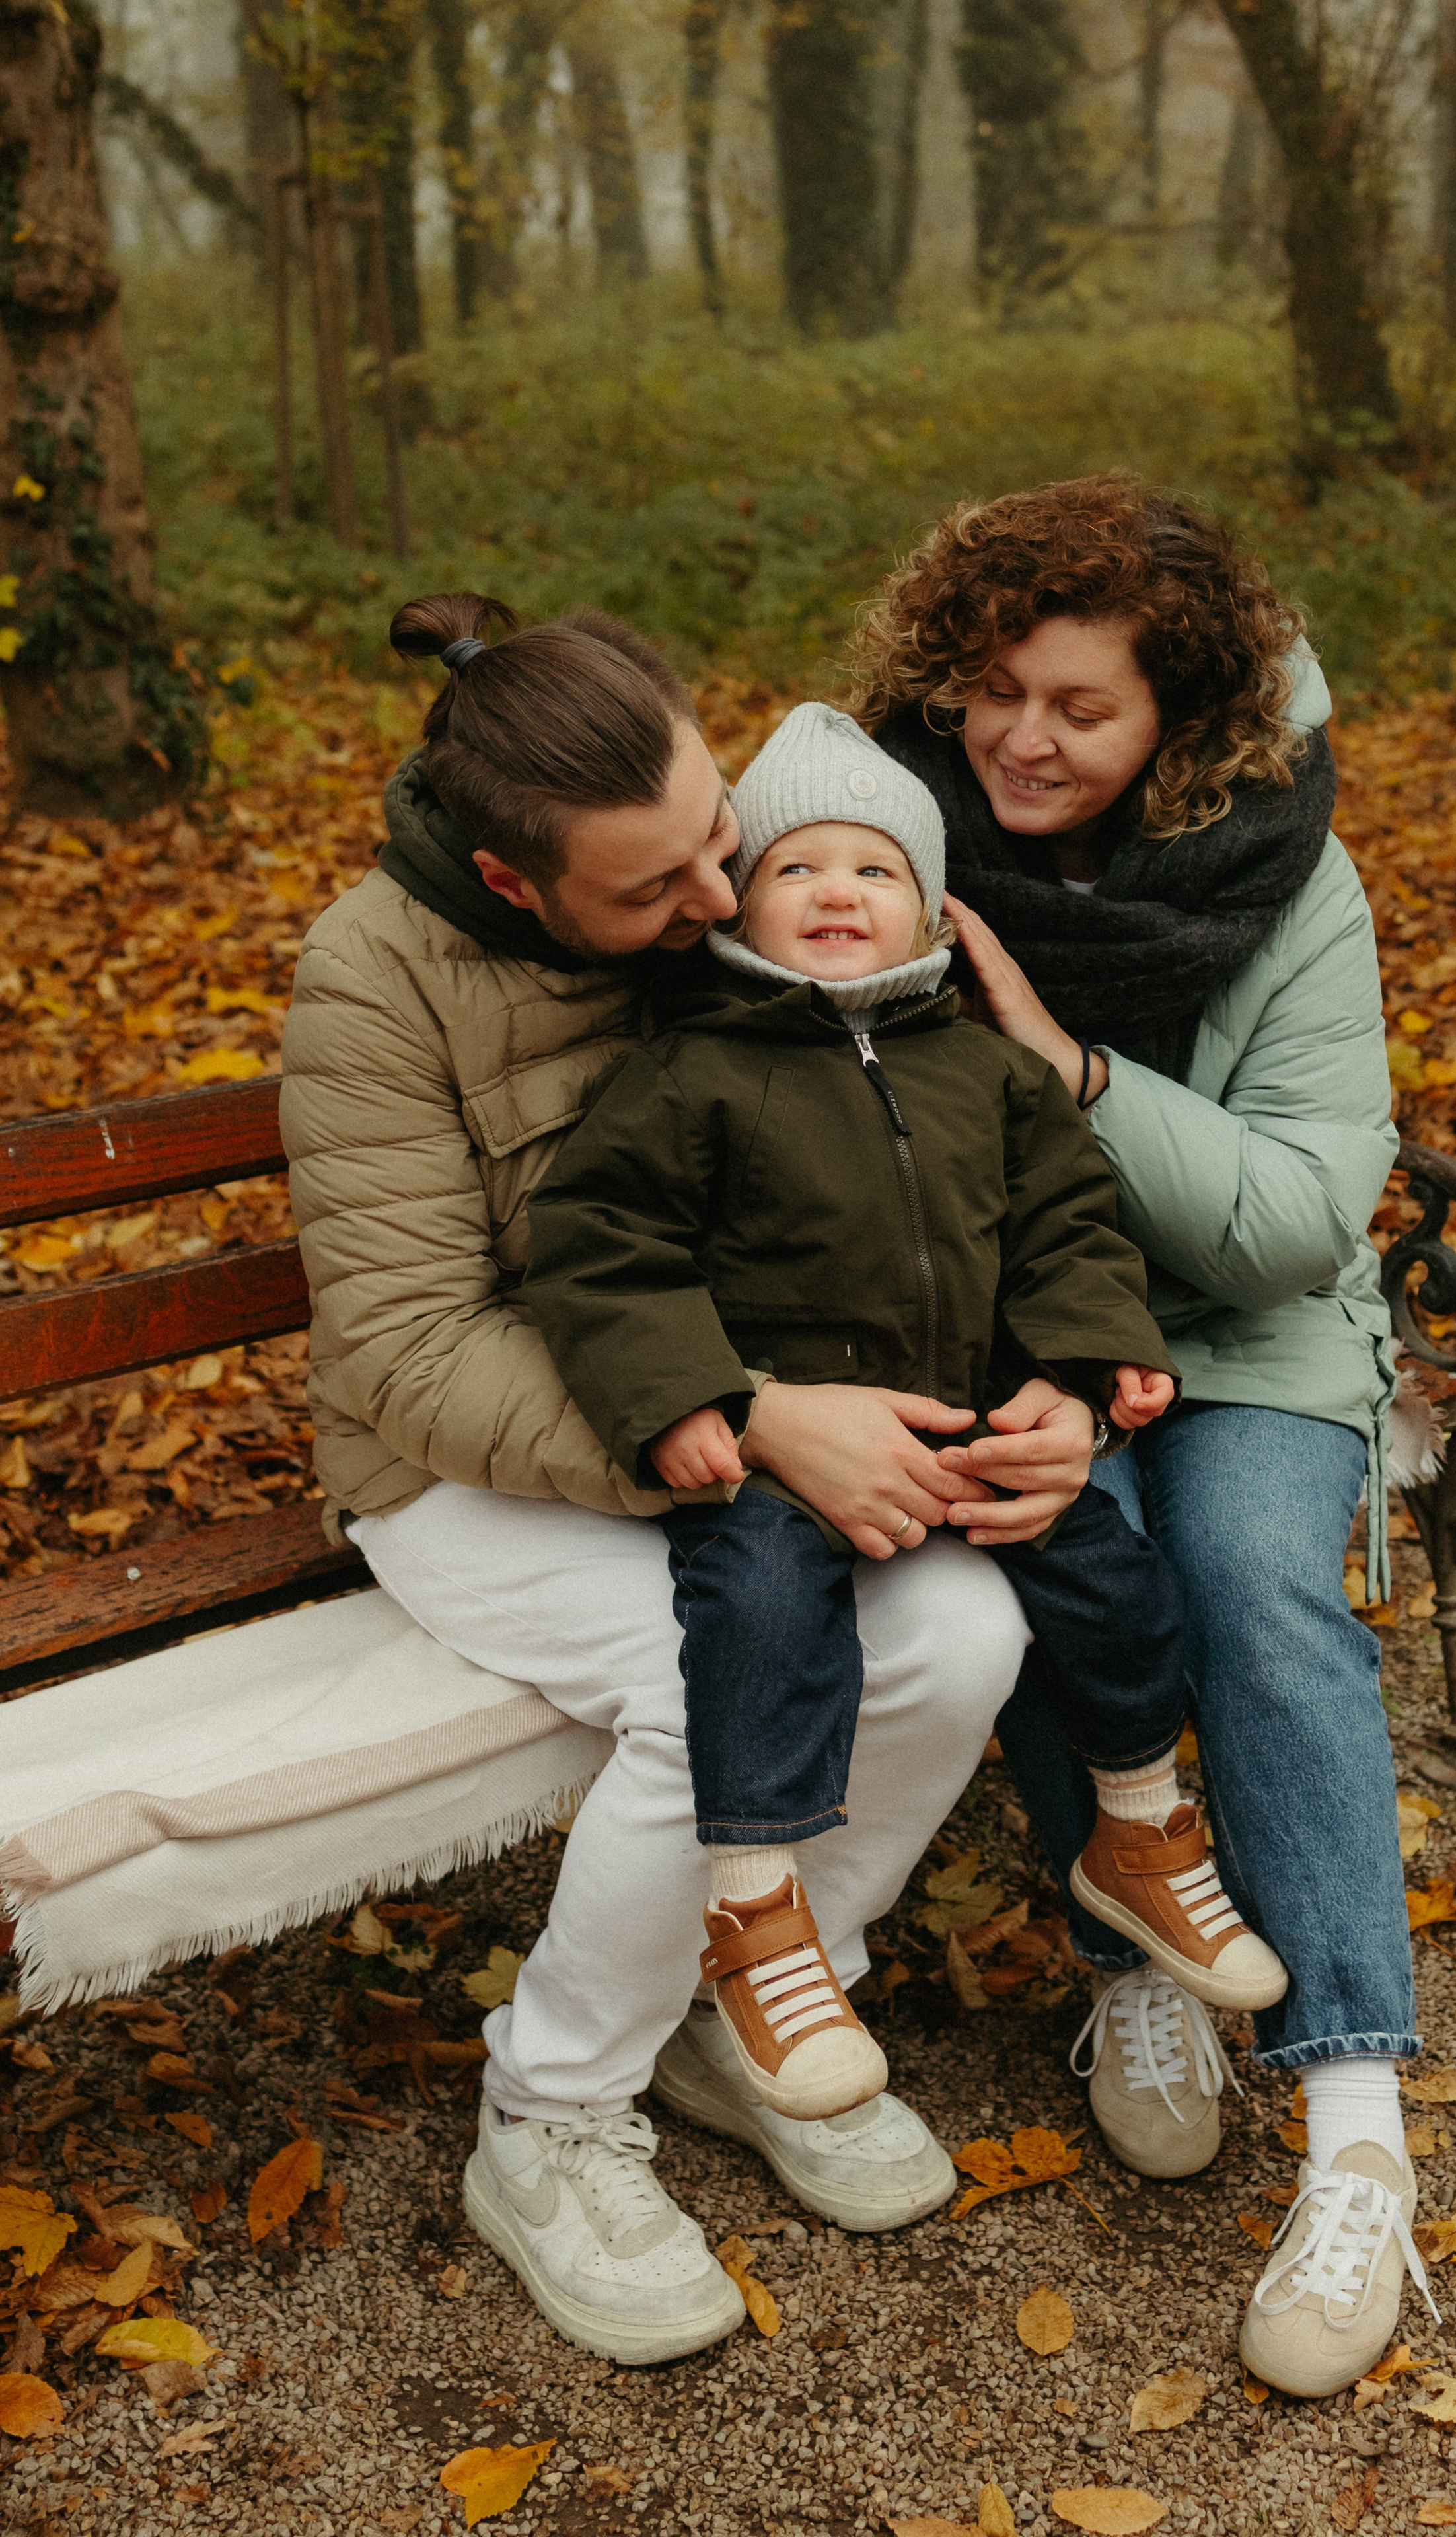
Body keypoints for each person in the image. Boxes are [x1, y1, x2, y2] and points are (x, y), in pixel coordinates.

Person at [279, 595, 1035, 2369]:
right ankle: (546, 2116)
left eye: (719, 837)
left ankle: (747, 2001)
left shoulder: (730, 895)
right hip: (462, 1468)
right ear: (513, 880)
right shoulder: (374, 978)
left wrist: (1043, 1389)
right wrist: (744, 1422)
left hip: (760, 1435)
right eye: (655, 889)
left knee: (964, 1636)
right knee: (713, 1683)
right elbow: (410, 1350)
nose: (716, 899)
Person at [856, 475, 1431, 2398]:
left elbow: (1296, 1219)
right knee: (1048, 1544)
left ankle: (1355, 2129)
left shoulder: (1289, 878)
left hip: (1251, 1329)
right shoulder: (882, 846)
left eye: (1080, 708)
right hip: (1022, 1324)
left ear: (1177, 721)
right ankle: (1135, 1963)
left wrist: (1069, 1066)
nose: (1022, 740)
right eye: (996, 690)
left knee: (1254, 1582)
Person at [521, 701, 1287, 2129]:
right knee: (758, 1621)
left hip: (966, 1428)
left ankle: (1136, 1830)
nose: (836, 892)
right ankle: (756, 1918)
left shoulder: (985, 1072)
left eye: (873, 870)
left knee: (1119, 1586)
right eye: (796, 867)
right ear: (739, 904)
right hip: (785, 1454)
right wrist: (693, 1395)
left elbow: (1068, 1226)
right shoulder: (693, 1072)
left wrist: (1090, 1363)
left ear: (929, 910)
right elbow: (601, 1250)